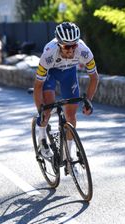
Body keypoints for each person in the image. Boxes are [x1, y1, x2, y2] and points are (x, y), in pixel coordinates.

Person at [33, 22, 99, 158]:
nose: (70, 50)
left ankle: (68, 155)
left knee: (71, 116)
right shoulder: (48, 54)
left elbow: (94, 78)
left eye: (74, 45)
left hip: (69, 73)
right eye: (66, 46)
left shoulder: (84, 51)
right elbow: (38, 86)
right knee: (48, 108)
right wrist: (40, 109)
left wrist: (88, 101)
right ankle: (42, 137)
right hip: (51, 72)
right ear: (58, 44)